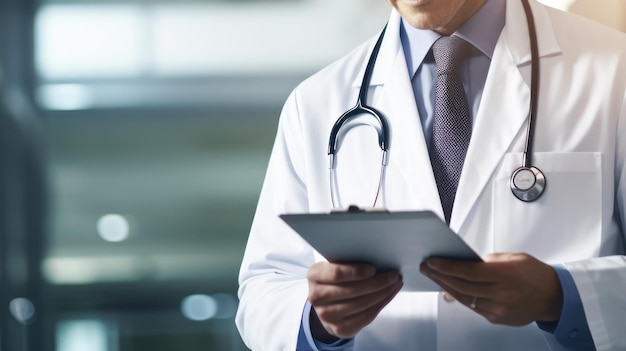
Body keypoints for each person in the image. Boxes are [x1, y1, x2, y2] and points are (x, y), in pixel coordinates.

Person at [235, 0, 626, 349]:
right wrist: (318, 321)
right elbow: (263, 288)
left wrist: (561, 296)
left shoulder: (615, 71)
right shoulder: (316, 103)